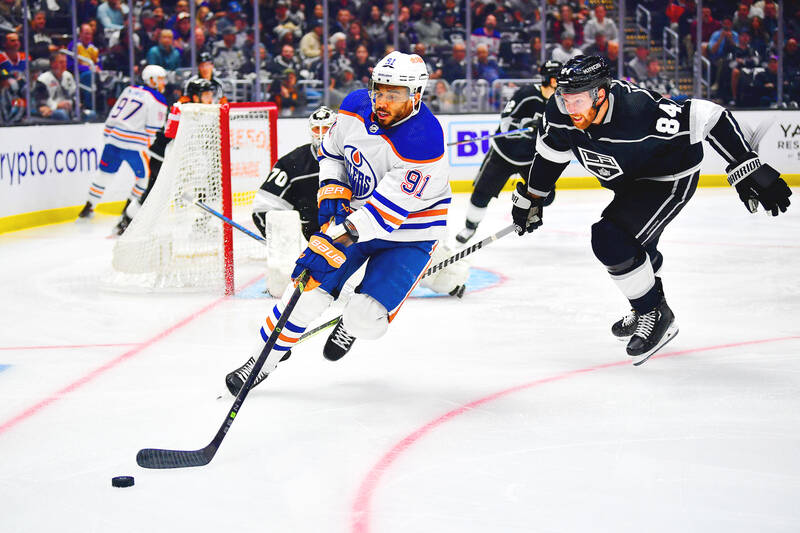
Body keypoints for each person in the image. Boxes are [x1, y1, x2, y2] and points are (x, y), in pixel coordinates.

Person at [510, 55, 792, 363]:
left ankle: (655, 314)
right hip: (630, 183)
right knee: (637, 249)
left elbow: (709, 116)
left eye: (577, 100)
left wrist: (746, 165)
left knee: (610, 239)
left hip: (668, 178)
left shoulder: (638, 110)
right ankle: (646, 303)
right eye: (565, 99)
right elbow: (550, 155)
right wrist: (533, 198)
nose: (570, 108)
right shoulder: (559, 113)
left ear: (600, 94)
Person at [225, 51, 462, 394]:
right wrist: (332, 193)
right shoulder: (354, 106)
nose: (382, 101)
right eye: (378, 90)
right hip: (357, 218)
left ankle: (351, 323)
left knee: (365, 318)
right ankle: (261, 360)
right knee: (305, 291)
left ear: (416, 95)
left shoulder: (423, 140)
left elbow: (385, 214)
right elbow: (332, 153)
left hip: (410, 233)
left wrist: (333, 239)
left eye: (394, 95)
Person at [455, 61, 561, 244]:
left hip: (531, 158)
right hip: (503, 154)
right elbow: (505, 123)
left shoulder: (561, 102)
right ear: (551, 80)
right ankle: (470, 227)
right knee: (481, 194)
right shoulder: (526, 94)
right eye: (560, 78)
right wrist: (525, 125)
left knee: (548, 196)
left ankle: (524, 201)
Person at [251, 106, 336, 297]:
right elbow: (263, 208)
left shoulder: (354, 159)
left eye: (327, 128)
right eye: (317, 129)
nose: (322, 134)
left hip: (351, 242)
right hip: (311, 246)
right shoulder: (292, 163)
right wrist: (283, 244)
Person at [77, 65, 168, 236]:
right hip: (135, 144)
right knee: (144, 179)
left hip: (113, 139)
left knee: (103, 175)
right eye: (161, 79)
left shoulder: (129, 90)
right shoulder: (158, 99)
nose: (164, 83)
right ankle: (128, 212)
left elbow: (112, 115)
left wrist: (108, 135)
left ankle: (87, 209)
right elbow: (153, 129)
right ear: (152, 80)